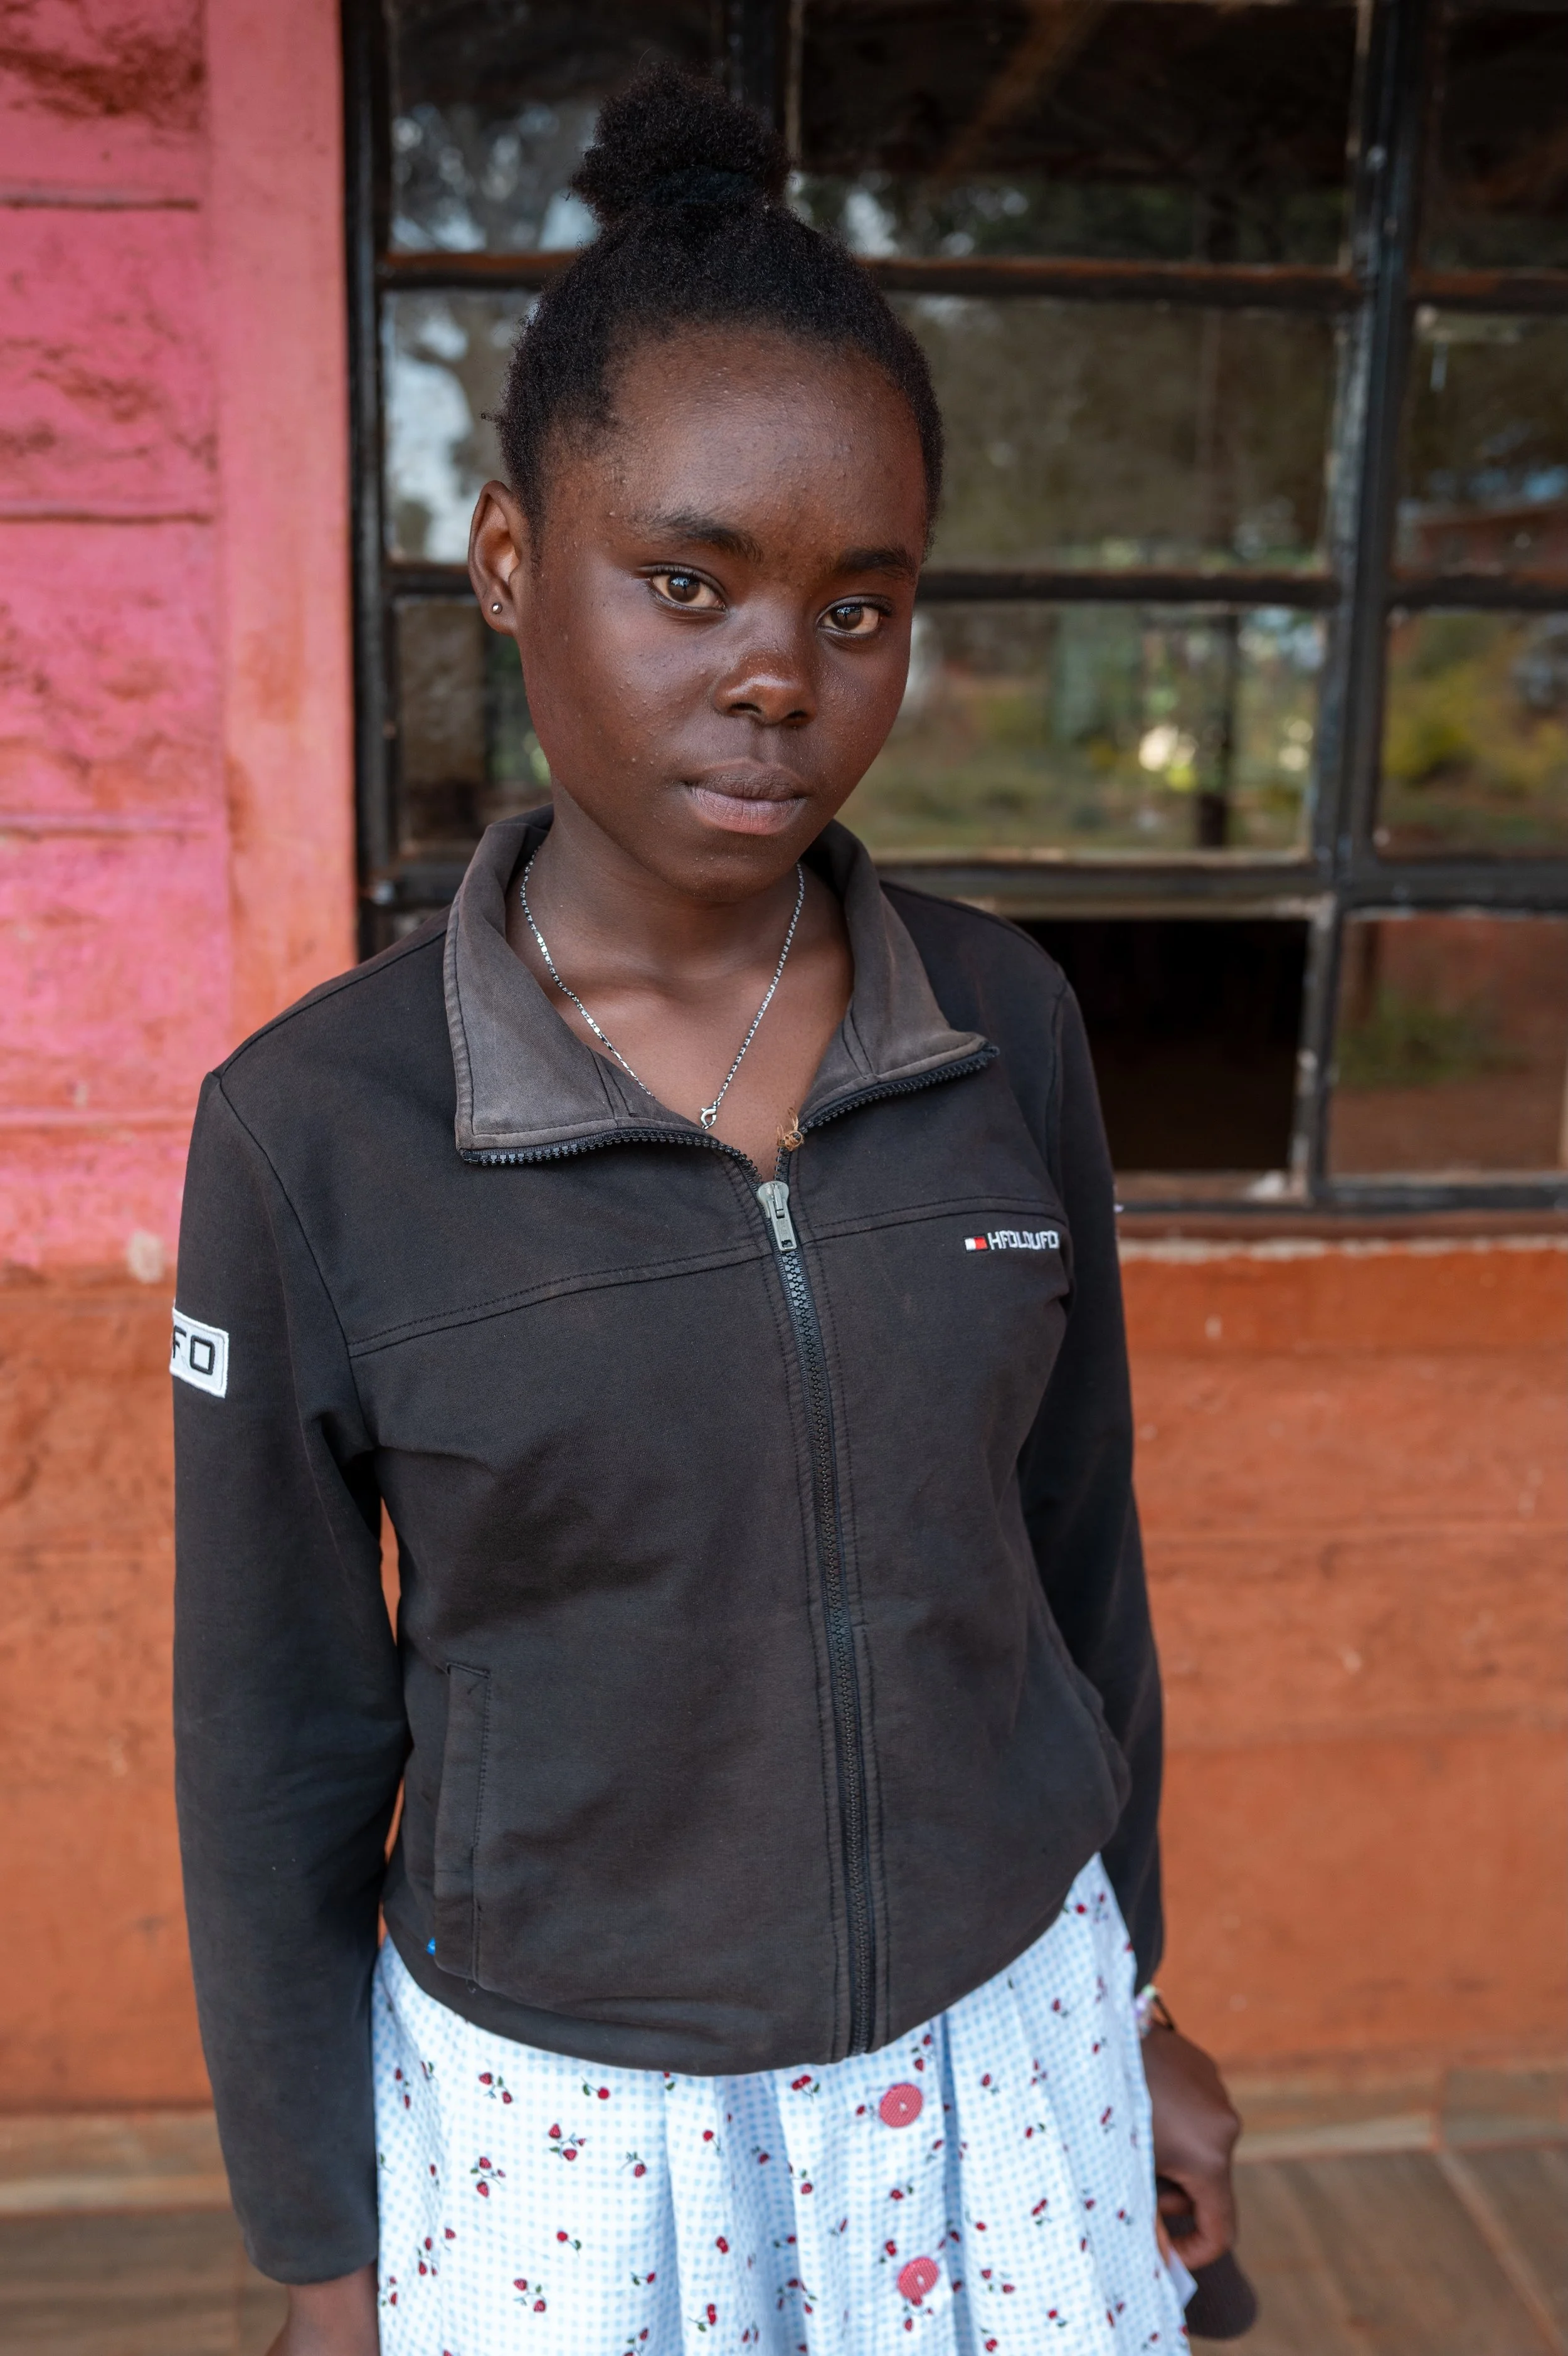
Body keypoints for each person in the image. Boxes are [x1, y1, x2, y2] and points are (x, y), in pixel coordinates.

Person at [172, 65, 1239, 2356]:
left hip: (1000, 2053)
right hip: (571, 2122)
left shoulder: (1002, 1026)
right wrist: (326, 2255)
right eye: (688, 581)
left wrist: (1135, 1990)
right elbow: (270, 1729)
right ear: (498, 561)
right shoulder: (314, 1129)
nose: (779, 675)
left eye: (863, 608)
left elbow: (1076, 1558)